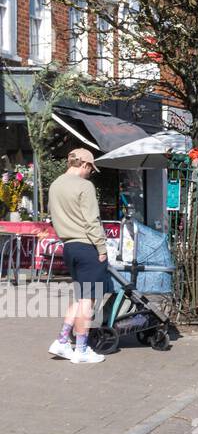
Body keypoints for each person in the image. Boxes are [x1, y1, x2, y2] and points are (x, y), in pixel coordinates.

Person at [47, 149, 110, 364]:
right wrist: (102, 249)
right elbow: (92, 221)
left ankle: (63, 341)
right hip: (87, 246)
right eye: (90, 168)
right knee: (87, 301)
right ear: (83, 164)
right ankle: (82, 349)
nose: (91, 173)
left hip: (69, 246)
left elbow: (54, 215)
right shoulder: (85, 186)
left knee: (79, 297)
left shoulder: (55, 185)